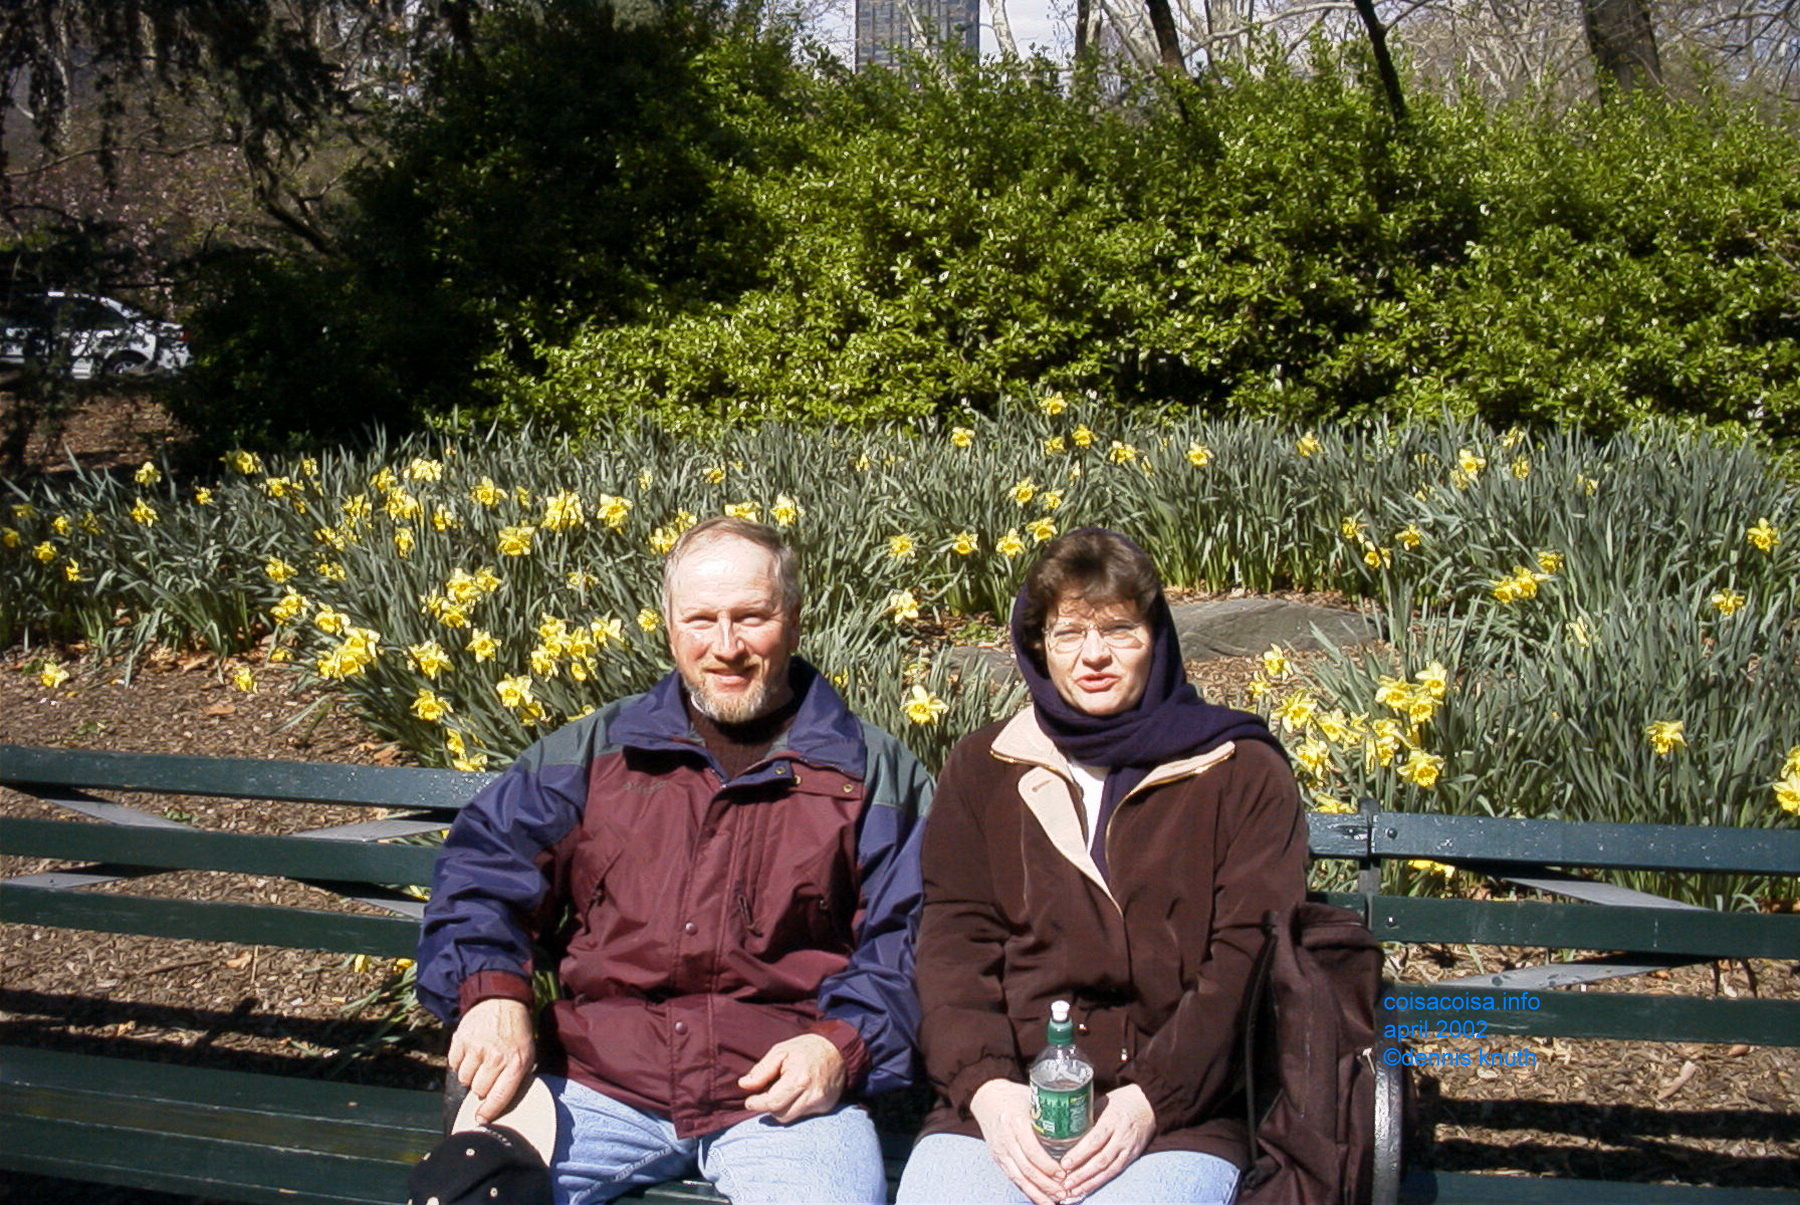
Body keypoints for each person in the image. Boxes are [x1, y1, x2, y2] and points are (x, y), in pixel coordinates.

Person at [416, 516, 932, 1205]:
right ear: (668, 626)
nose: (726, 646)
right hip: (598, 1081)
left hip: (779, 1093)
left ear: (796, 619)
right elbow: (483, 868)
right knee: (469, 1195)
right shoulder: (600, 752)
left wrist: (841, 1046)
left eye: (751, 617)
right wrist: (491, 992)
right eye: (701, 619)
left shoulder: (868, 772)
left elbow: (915, 937)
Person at [896, 528, 1307, 1205]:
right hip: (1007, 1101)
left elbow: (1246, 960)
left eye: (1118, 630)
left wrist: (1150, 1101)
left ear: (1158, 637)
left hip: (1180, 1112)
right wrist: (990, 1092)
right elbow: (952, 944)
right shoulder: (985, 767)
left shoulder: (1240, 771)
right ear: (1037, 648)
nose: (1093, 656)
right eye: (1068, 634)